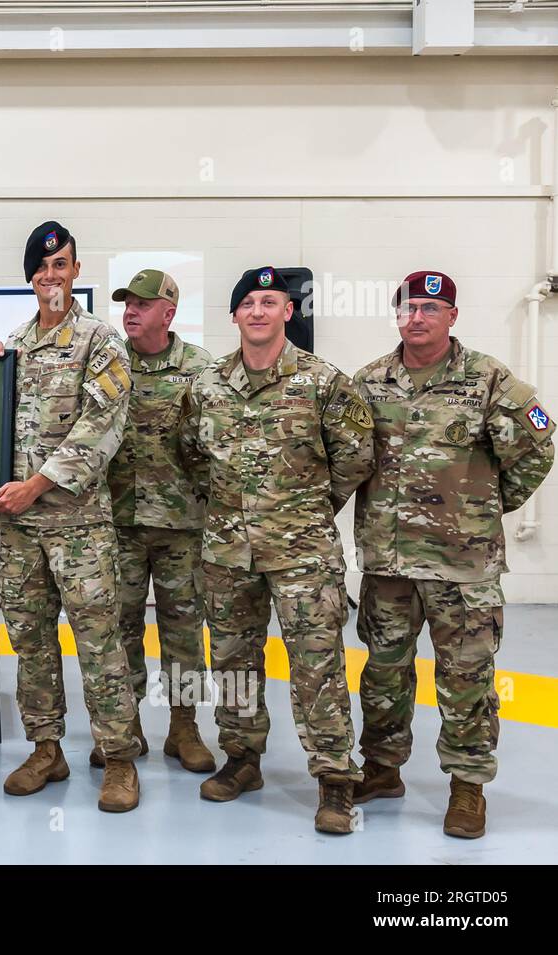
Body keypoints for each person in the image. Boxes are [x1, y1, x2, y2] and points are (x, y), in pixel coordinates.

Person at [351, 270, 554, 839]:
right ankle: (382, 769)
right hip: (389, 564)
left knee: (466, 677)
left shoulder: (488, 380)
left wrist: (485, 509)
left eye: (430, 309)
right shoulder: (370, 382)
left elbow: (539, 448)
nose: (417, 318)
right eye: (408, 308)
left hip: (463, 567)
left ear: (452, 317)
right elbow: (344, 457)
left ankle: (467, 788)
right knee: (384, 674)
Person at [179, 266, 375, 834]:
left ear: (289, 311)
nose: (259, 312)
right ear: (235, 316)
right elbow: (194, 456)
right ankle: (242, 759)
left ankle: (335, 780)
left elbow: (354, 459)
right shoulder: (208, 385)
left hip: (303, 554)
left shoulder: (324, 382)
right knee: (234, 662)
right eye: (249, 304)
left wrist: (303, 510)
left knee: (317, 666)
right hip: (226, 554)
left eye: (271, 301)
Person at [0, 221, 141, 813]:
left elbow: (102, 427)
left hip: (78, 526)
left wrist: (36, 486)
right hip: (18, 530)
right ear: (31, 277)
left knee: (100, 642)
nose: (52, 275)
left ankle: (119, 759)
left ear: (76, 271)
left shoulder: (101, 341)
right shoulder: (14, 345)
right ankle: (46, 748)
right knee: (31, 643)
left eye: (62, 264)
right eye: (42, 267)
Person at [104, 269, 215, 772]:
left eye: (143, 304)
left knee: (184, 632)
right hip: (117, 523)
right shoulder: (107, 361)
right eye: (127, 302)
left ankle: (184, 727)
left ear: (169, 313)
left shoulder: (199, 367)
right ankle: (124, 729)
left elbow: (216, 446)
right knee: (118, 629)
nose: (131, 310)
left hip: (181, 526)